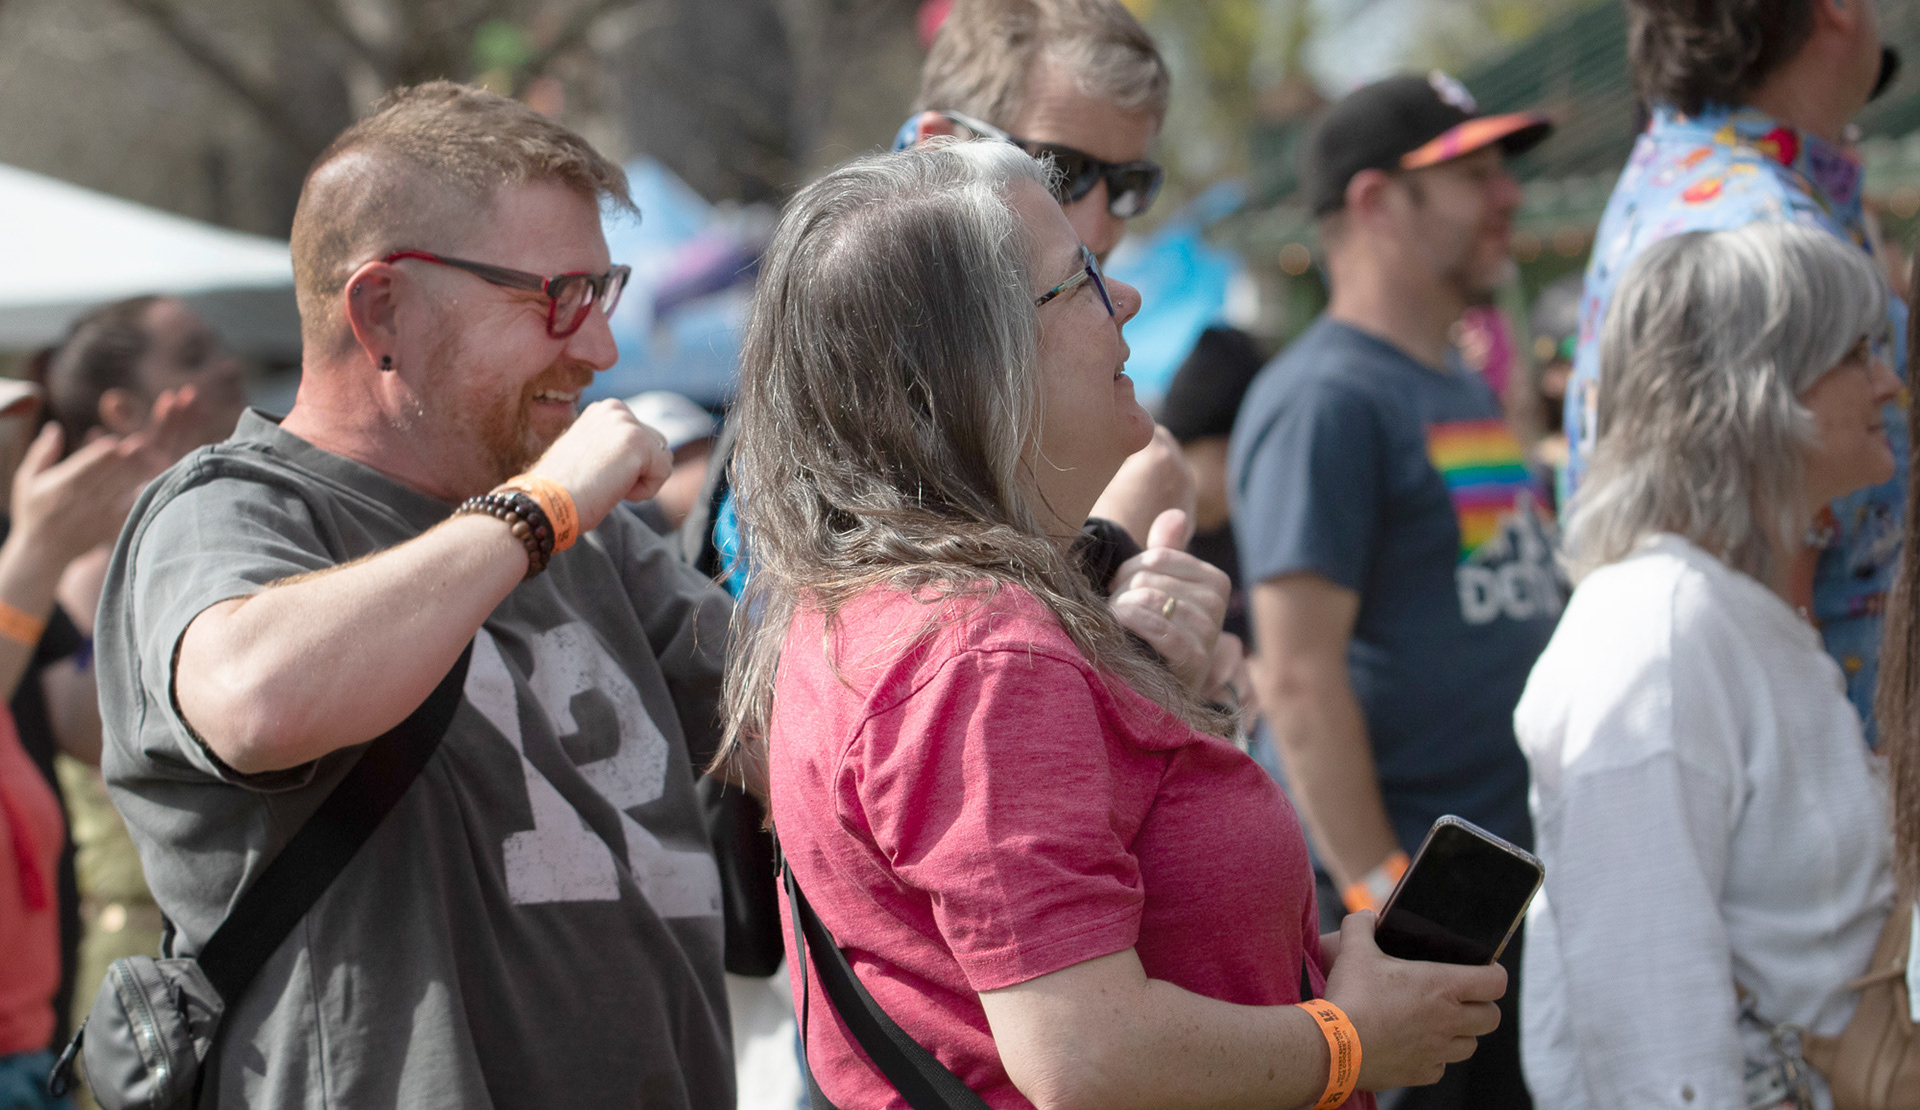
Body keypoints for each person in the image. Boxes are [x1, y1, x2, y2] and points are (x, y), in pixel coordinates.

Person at [717, 137, 1508, 1110]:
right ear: (978, 358)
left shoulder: (872, 609)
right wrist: (1351, 1043)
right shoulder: (978, 654)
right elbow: (1084, 1052)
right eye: (1083, 278)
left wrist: (1300, 977)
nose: (1125, 298)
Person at [96, 82, 735, 1107]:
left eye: (602, 294)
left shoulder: (591, 532)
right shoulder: (228, 510)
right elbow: (258, 699)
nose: (599, 348)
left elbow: (803, 718)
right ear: (382, 307)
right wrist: (542, 511)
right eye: (556, 297)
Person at [1229, 73, 1556, 1110]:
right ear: (1376, 203)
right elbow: (1296, 675)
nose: (1507, 196)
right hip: (1416, 939)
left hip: (1503, 915)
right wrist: (1380, 891)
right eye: (1472, 173)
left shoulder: (1452, 381)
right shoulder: (1327, 399)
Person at [1517, 220, 1897, 1109]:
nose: (1889, 381)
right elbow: (1653, 1048)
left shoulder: (1717, 613)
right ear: (1759, 390)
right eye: (1857, 353)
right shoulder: (1655, 636)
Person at [1567, 0, 1904, 732]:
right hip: (1807, 763)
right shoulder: (1758, 236)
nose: (1887, 381)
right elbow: (1757, 530)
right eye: (1860, 356)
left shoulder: (1688, 179)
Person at [1159, 325, 1265, 646]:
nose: (1244, 471)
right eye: (1225, 455)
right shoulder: (1145, 541)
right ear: (1180, 448)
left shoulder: (1257, 533)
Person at [622, 390, 715, 535]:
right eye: (677, 461)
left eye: (708, 454)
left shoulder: (729, 535)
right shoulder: (618, 543)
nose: (702, 469)